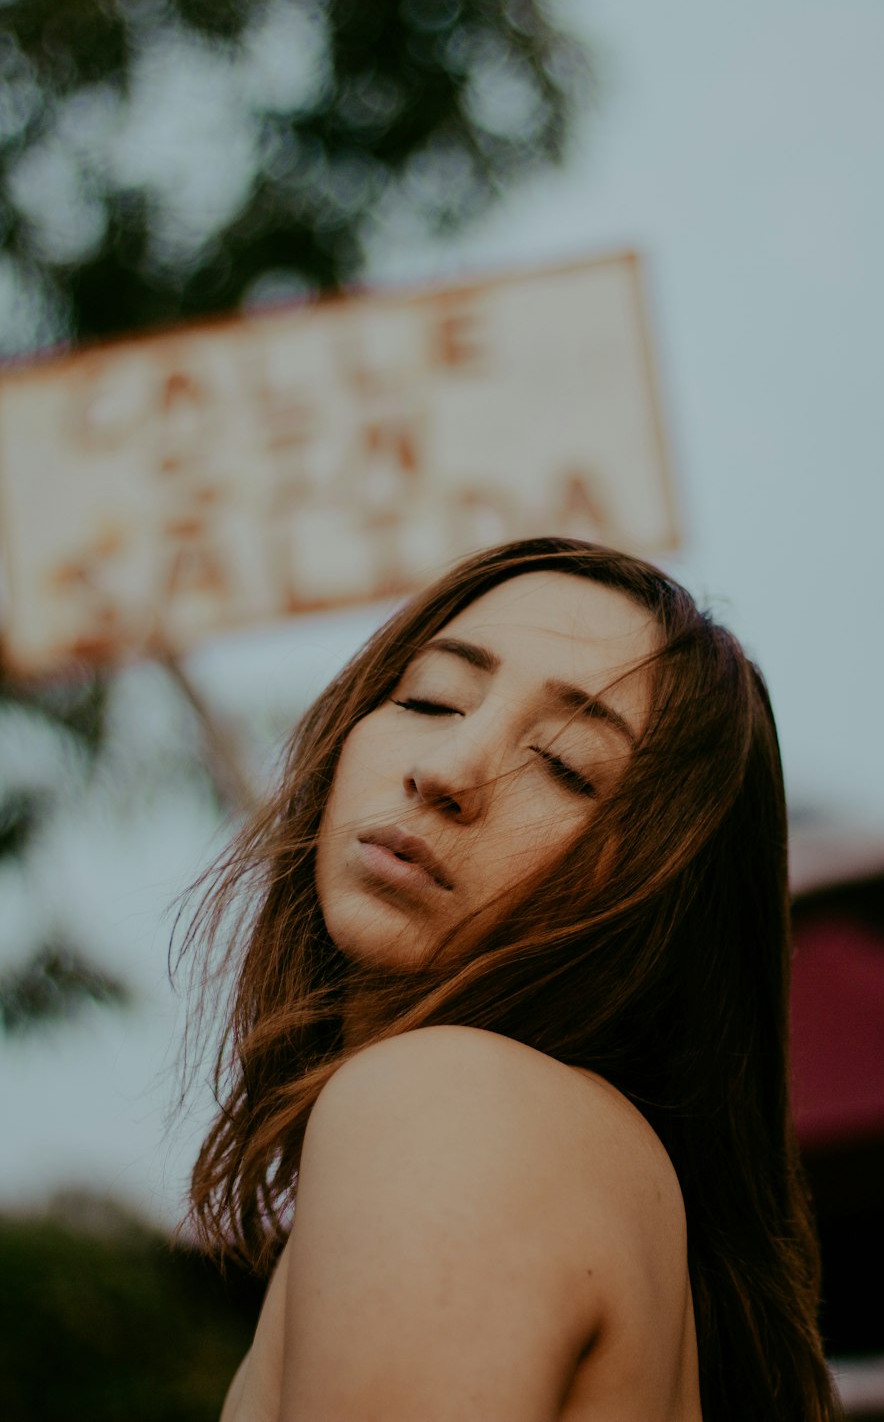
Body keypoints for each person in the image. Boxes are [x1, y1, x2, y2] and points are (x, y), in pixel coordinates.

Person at [182, 536, 843, 1421]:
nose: (447, 771)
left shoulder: (451, 1097)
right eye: (432, 697)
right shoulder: (584, 1161)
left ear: (659, 898)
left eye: (568, 764)